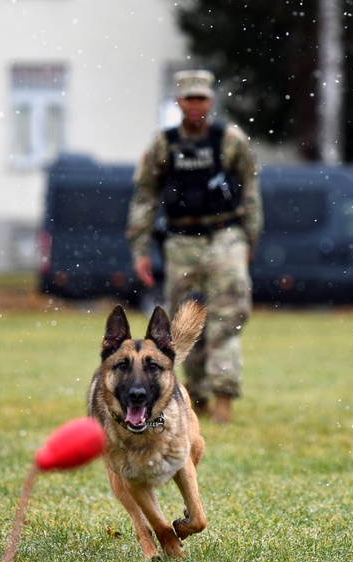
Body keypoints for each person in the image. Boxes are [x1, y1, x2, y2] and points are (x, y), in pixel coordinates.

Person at [126, 69, 263, 424]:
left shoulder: (230, 141)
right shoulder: (163, 145)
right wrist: (140, 249)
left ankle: (223, 401)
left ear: (211, 101)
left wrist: (250, 237)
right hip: (181, 241)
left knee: (227, 319)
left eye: (202, 98)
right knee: (183, 325)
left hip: (224, 237)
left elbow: (250, 190)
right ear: (178, 102)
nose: (196, 105)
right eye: (189, 99)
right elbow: (144, 197)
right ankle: (195, 397)